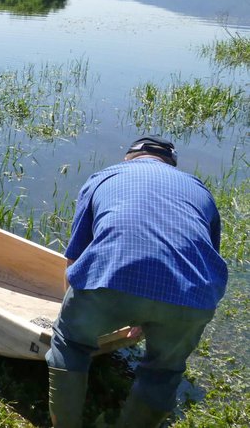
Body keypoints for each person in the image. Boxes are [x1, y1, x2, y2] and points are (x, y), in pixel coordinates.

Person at [46, 136, 228, 428]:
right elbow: (204, 260)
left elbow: (75, 259)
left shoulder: (104, 177)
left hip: (111, 282)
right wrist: (148, 315)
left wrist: (72, 316)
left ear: (130, 156)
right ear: (170, 163)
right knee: (164, 371)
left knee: (70, 344)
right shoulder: (199, 189)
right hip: (193, 296)